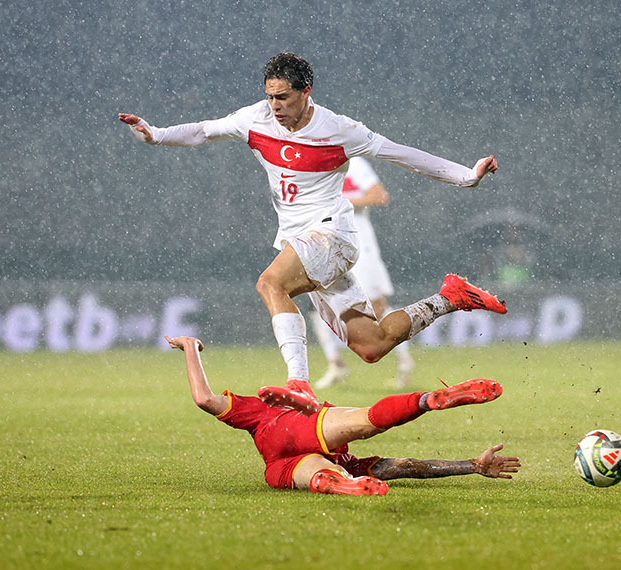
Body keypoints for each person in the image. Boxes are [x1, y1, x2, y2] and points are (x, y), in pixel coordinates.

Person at [119, 52, 505, 410]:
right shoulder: (255, 119)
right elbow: (205, 131)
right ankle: (450, 298)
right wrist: (156, 134)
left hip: (331, 236)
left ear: (306, 92)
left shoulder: (338, 130)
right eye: (270, 96)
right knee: (372, 345)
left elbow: (402, 154)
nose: (275, 105)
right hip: (302, 243)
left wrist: (466, 176)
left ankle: (299, 384)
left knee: (270, 283)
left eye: (283, 97)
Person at [164, 335, 519, 495]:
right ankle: (425, 400)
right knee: (365, 420)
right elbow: (407, 466)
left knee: (323, 471)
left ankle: (343, 484)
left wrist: (189, 347)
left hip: (280, 455)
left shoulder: (254, 412)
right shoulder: (266, 411)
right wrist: (472, 465)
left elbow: (203, 399)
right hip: (308, 422)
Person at [311, 156, 414, 389]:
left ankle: (404, 360)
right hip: (328, 244)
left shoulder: (354, 164)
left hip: (359, 243)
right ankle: (335, 364)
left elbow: (379, 195)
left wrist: (340, 203)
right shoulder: (314, 166)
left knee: (376, 307)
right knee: (318, 303)